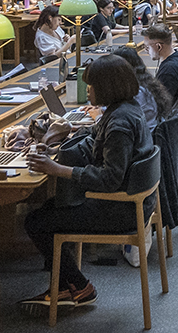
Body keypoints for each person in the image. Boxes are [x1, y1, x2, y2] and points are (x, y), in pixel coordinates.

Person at [23, 55, 155, 306]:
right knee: (49, 210)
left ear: (107, 88)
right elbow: (94, 137)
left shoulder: (119, 123)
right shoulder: (125, 109)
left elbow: (110, 178)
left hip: (120, 209)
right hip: (130, 203)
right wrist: (54, 148)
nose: (89, 91)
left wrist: (58, 169)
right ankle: (65, 286)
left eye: (92, 86)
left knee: (37, 221)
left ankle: (78, 286)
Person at [142, 24, 178, 111]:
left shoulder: (169, 70)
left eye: (147, 47)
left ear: (159, 46)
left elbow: (160, 105)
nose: (146, 51)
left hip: (175, 119)